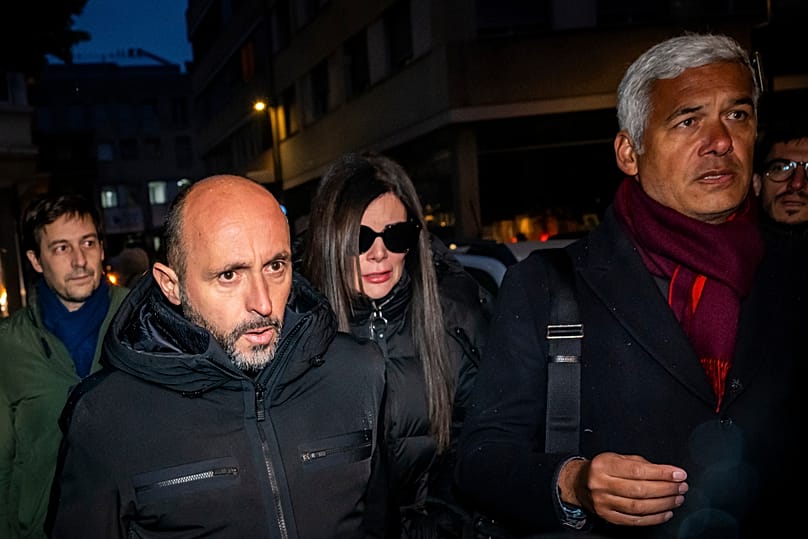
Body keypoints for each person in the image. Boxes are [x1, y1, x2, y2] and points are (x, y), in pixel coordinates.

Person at [455, 33, 800, 539]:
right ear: (629, 152)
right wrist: (572, 484)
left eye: (738, 115)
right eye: (688, 120)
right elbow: (481, 460)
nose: (721, 141)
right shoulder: (548, 287)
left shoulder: (795, 271)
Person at [46, 175, 388, 538]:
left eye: (275, 266)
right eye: (229, 275)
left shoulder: (357, 372)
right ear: (171, 284)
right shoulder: (106, 417)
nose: (263, 303)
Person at [300, 152, 493, 537]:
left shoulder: (457, 318)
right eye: (359, 237)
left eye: (396, 235)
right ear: (330, 240)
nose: (378, 253)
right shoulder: (296, 330)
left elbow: (483, 441)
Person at [0, 193, 128, 538]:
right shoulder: (9, 346)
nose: (79, 260)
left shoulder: (141, 322)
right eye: (60, 248)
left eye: (87, 243)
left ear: (102, 248)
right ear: (36, 260)